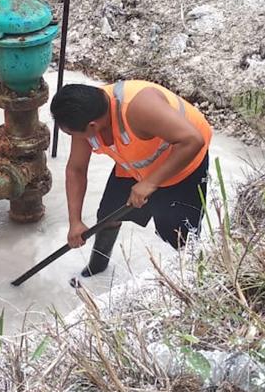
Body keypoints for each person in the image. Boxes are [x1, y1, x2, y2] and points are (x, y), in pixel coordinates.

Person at [51, 80, 213, 277]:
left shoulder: (139, 107)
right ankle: (97, 267)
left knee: (180, 236)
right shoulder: (86, 115)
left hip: (182, 163)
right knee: (108, 214)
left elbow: (192, 140)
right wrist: (74, 221)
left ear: (92, 126)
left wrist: (150, 183)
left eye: (70, 133)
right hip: (135, 164)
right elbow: (76, 169)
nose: (71, 136)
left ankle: (190, 282)